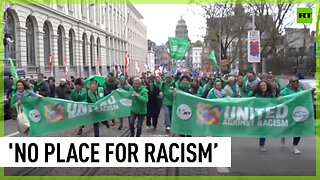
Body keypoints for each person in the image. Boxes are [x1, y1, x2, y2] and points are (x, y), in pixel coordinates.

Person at [280, 76, 315, 154]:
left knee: (298, 129)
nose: (295, 83)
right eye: (293, 81)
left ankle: (295, 146)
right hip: (288, 113)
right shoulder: (284, 92)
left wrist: (310, 93)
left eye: (297, 81)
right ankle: (283, 134)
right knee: (287, 128)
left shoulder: (301, 90)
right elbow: (280, 101)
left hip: (298, 113)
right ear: (290, 83)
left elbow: (307, 98)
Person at [249, 80, 276, 152]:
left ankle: (262, 145)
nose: (263, 87)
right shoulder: (254, 93)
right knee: (252, 127)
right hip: (255, 114)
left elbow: (275, 101)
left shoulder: (270, 94)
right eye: (261, 86)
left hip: (265, 114)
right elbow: (246, 99)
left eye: (264, 85)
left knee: (263, 130)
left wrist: (279, 99)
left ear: (267, 86)